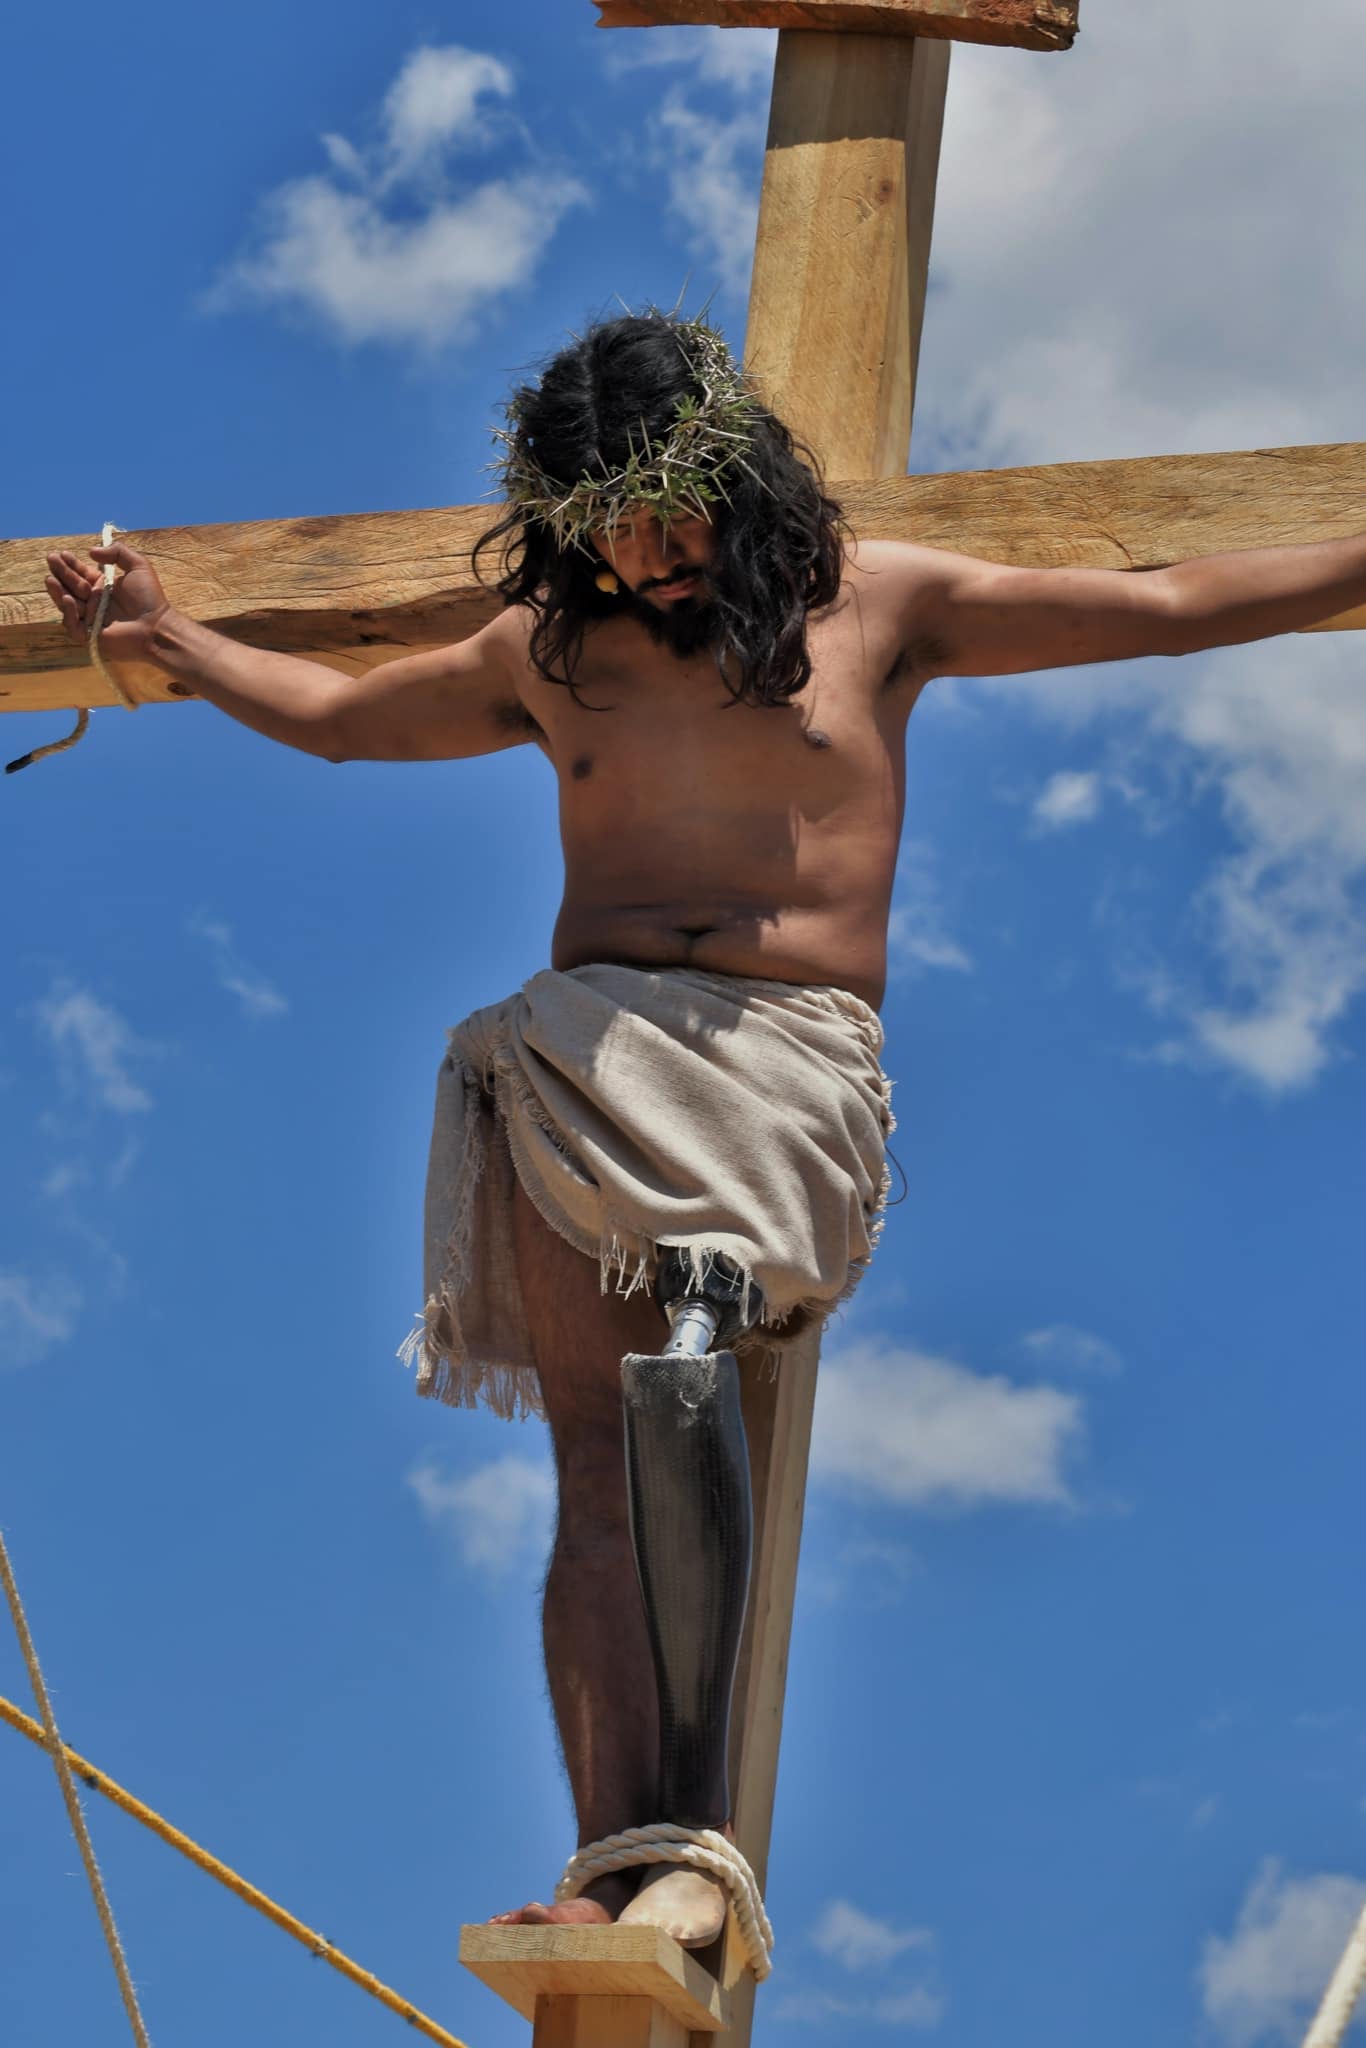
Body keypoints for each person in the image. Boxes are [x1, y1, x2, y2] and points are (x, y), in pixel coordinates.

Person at [44, 310, 1366, 1953]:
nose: (653, 560)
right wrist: (171, 635)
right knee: (590, 1467)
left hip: (783, 1066)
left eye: (675, 520)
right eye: (614, 531)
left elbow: (1167, 608)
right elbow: (338, 716)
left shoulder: (878, 605)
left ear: (730, 477)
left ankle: (706, 1854)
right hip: (585, 1062)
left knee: (685, 1367)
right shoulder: (550, 649)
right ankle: (617, 1861)